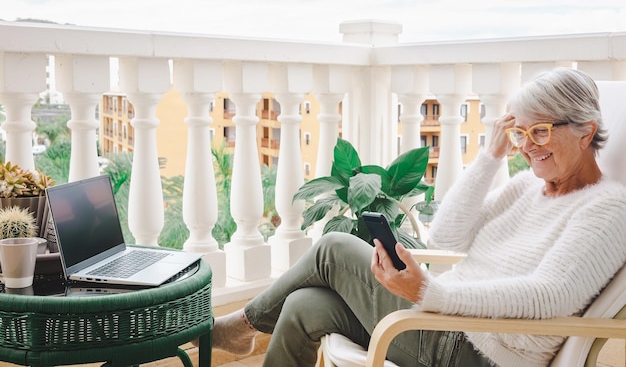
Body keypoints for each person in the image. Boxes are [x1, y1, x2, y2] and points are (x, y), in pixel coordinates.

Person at [207, 68, 626, 367]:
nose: (529, 146)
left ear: (586, 131)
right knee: (304, 306)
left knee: (333, 248)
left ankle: (241, 326)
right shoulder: (525, 188)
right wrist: (490, 155)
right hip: (444, 324)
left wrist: (431, 294)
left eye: (542, 131)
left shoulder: (608, 208)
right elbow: (448, 235)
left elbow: (548, 296)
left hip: (478, 351)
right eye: (521, 133)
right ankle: (242, 329)